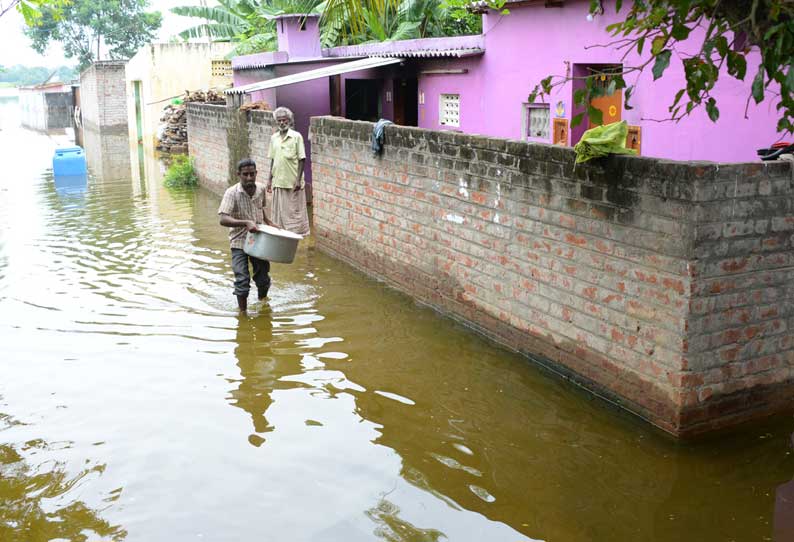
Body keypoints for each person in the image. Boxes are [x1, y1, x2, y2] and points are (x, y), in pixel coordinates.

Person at [219, 158, 275, 313]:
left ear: (256, 173)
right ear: (239, 174)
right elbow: (223, 219)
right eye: (245, 175)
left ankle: (263, 303)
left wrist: (269, 222)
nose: (249, 178)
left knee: (263, 278)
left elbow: (261, 208)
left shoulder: (261, 189)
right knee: (242, 279)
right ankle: (242, 314)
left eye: (252, 174)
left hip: (259, 240)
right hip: (239, 241)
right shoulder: (232, 193)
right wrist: (245, 223)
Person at [266, 107, 310, 236]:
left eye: (284, 120)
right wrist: (269, 179)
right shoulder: (274, 138)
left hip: (292, 183)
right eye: (279, 120)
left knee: (294, 214)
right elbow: (273, 160)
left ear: (289, 121)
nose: (281, 123)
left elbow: (302, 159)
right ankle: (281, 236)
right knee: (279, 214)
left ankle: (295, 237)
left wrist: (298, 179)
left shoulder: (296, 137)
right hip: (278, 181)